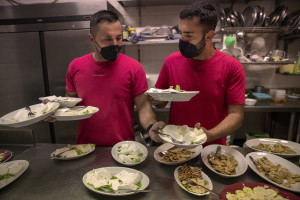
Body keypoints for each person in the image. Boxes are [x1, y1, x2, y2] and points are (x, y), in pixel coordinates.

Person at [148, 2, 245, 146]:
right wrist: (154, 99)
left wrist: (211, 134)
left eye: (188, 35)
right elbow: (162, 103)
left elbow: (236, 114)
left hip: (212, 147)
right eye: (180, 33)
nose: (182, 39)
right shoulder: (171, 61)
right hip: (176, 146)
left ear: (209, 36)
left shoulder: (232, 67)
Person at [65, 10, 157, 146]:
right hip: (85, 148)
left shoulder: (134, 67)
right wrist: (54, 109)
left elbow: (143, 106)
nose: (115, 44)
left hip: (123, 149)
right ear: (92, 39)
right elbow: (70, 100)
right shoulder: (76, 66)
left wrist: (151, 126)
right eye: (108, 39)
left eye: (119, 38)